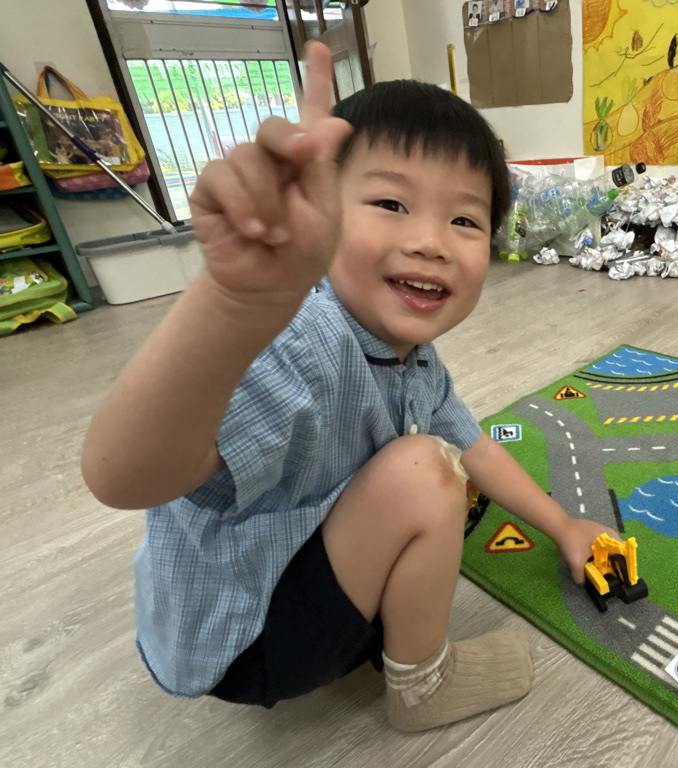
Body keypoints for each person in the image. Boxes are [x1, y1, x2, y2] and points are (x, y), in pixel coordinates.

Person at [80, 42, 615, 731]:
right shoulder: (302, 340)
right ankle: (424, 686)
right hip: (250, 639)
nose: (431, 241)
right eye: (391, 202)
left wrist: (564, 525)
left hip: (293, 586)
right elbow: (121, 477)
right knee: (426, 472)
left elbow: (475, 445)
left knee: (448, 470)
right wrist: (229, 301)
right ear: (321, 214)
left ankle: (372, 628)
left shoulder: (414, 358)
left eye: (464, 220)